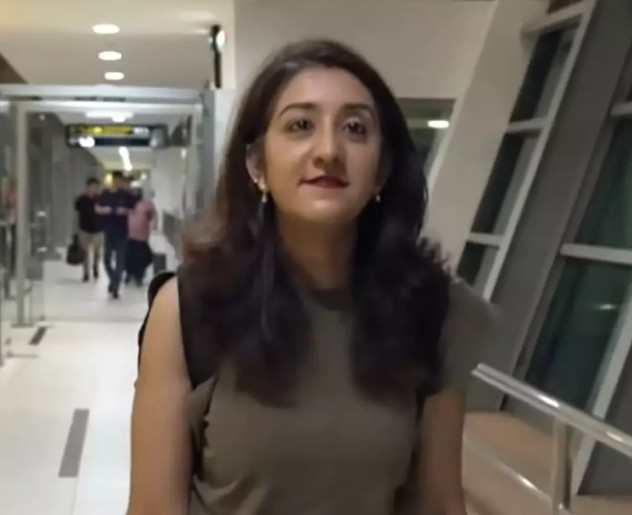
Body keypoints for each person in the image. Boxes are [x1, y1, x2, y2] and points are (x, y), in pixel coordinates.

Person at [130, 39, 498, 515]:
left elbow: (438, 503)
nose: (328, 150)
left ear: (381, 171)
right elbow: (152, 508)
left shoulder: (431, 309)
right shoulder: (189, 308)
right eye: (301, 126)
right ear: (257, 164)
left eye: (355, 129)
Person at [96, 171, 135, 299]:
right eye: (115, 180)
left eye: (120, 181)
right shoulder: (105, 194)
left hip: (122, 233)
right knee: (106, 260)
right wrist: (104, 210)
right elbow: (97, 208)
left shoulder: (126, 195)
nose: (118, 183)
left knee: (120, 262)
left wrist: (125, 211)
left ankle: (115, 287)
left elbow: (133, 210)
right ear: (112, 181)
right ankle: (114, 280)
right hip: (108, 232)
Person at [74, 177, 103, 282]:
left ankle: (95, 267)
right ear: (87, 187)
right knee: (84, 252)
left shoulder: (100, 200)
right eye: (92, 187)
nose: (94, 189)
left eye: (96, 187)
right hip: (84, 229)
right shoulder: (80, 200)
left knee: (97, 251)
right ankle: (85, 273)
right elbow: (77, 211)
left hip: (98, 229)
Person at [126, 189, 155, 286]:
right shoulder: (146, 205)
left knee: (139, 256)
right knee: (132, 256)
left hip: (139, 236)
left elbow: (150, 216)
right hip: (132, 235)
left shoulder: (146, 205)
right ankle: (133, 274)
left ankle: (136, 275)